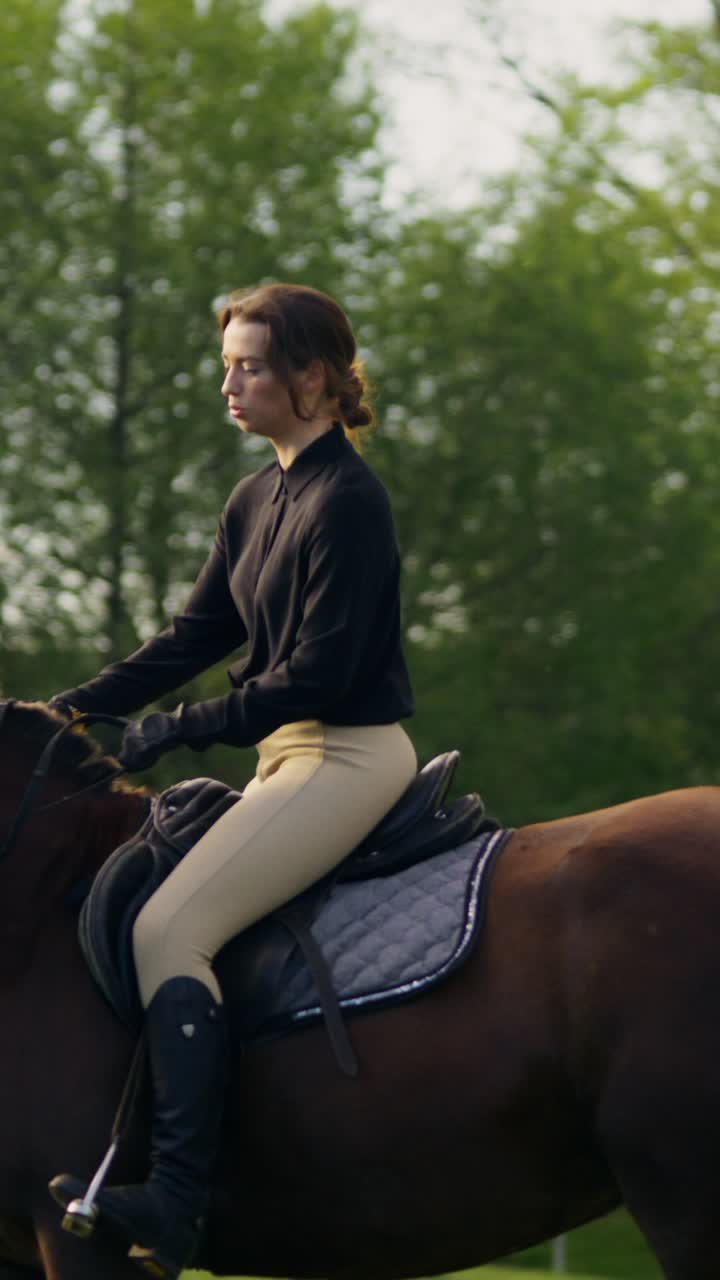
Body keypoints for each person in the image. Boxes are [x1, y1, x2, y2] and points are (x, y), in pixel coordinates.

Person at [48, 282, 416, 1279]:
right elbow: (196, 635)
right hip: (282, 756)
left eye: (248, 364)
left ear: (312, 376)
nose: (229, 382)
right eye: (227, 364)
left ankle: (175, 1197)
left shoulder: (350, 501)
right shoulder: (258, 495)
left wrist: (172, 731)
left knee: (172, 926)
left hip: (346, 754)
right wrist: (66, 709)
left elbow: (317, 677)